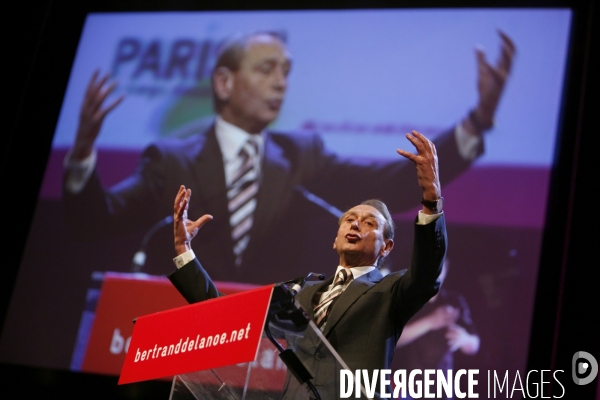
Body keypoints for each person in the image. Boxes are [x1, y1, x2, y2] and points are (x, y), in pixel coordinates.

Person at [62, 30, 515, 283]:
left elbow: (389, 185)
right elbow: (95, 221)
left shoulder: (302, 155)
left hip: (267, 352)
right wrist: (82, 152)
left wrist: (476, 122)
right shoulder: (171, 159)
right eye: (266, 69)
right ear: (224, 83)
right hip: (186, 338)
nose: (281, 82)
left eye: (286, 72)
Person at [168, 129, 446, 399]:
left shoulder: (391, 291)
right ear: (335, 240)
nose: (356, 223)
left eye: (370, 223)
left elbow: (426, 275)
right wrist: (184, 251)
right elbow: (228, 317)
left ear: (386, 246)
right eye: (349, 219)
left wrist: (431, 200)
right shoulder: (302, 292)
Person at [391, 259, 480, 400]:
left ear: (446, 272)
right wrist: (431, 321)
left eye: (439, 269)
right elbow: (391, 341)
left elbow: (474, 345)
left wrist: (464, 338)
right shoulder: (404, 299)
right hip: (404, 387)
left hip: (441, 388)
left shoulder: (454, 300)